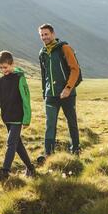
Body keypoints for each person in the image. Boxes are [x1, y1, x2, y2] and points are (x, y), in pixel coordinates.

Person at [37, 23, 81, 165]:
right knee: (50, 124)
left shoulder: (64, 48)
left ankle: (75, 150)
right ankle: (49, 154)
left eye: (46, 34)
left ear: (53, 34)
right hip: (51, 95)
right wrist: (45, 93)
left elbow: (75, 69)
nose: (44, 37)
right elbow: (44, 76)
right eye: (42, 35)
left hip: (67, 93)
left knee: (71, 122)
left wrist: (68, 88)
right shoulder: (42, 53)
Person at [0, 51, 36, 180]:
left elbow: (26, 98)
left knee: (10, 143)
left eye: (6, 67)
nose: (4, 70)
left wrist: (26, 119)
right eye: (1, 68)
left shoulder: (20, 78)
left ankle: (5, 171)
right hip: (7, 117)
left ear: (12, 64)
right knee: (17, 144)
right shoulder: (1, 81)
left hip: (18, 117)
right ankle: (31, 168)